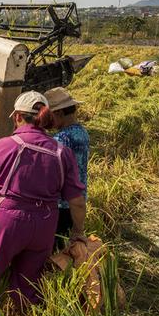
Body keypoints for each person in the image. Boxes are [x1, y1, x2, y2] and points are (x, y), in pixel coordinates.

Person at [0, 91, 86, 308]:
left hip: (8, 221)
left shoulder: (4, 146)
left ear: (17, 117)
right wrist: (78, 232)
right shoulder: (62, 152)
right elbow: (77, 201)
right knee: (28, 282)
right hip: (44, 223)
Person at [45, 87, 89, 250]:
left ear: (59, 114)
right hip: (76, 200)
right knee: (63, 246)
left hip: (61, 203)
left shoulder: (62, 138)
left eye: (50, 117)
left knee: (54, 250)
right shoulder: (81, 131)